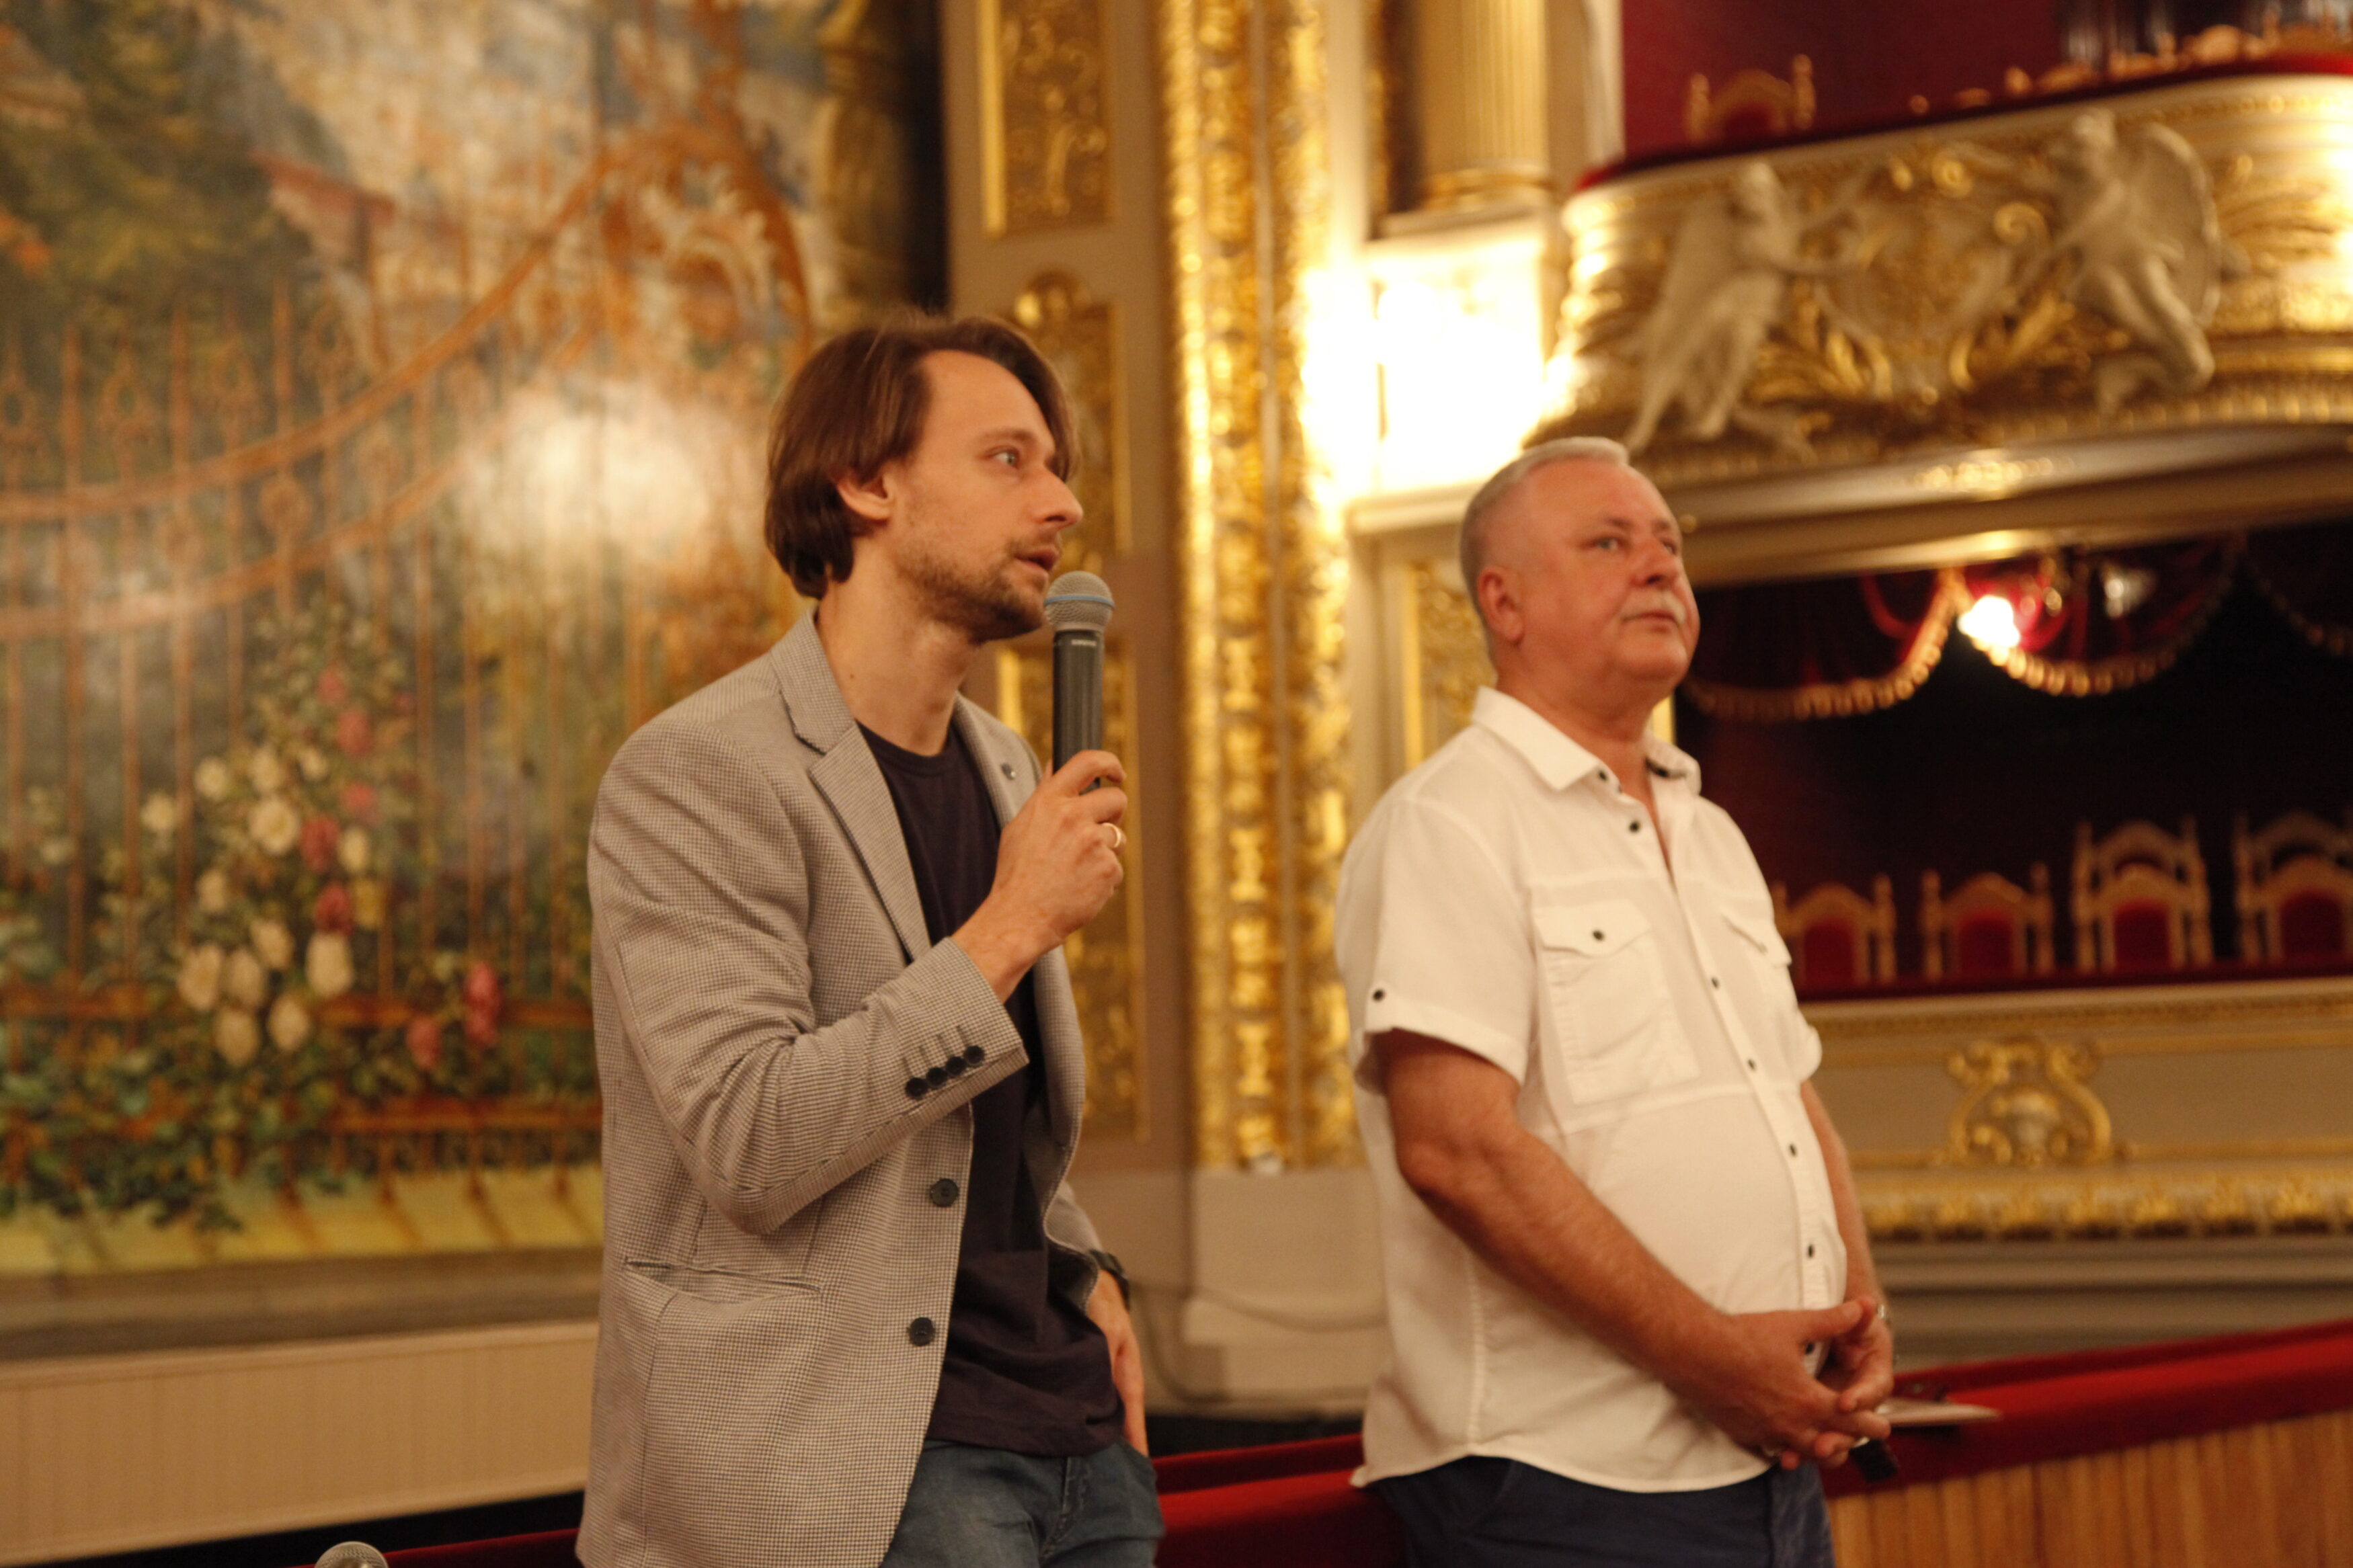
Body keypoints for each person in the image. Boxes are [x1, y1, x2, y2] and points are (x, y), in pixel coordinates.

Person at [578, 315, 1160, 1568]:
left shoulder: (1007, 766)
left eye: (1057, 467)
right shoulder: (699, 772)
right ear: (867, 483)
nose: (1062, 503)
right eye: (1008, 459)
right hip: (861, 1458)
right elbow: (749, 1139)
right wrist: (1010, 927)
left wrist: (1086, 1265)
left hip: (1072, 1436)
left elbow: (988, 1128)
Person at [1335, 437, 1895, 1568]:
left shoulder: (1712, 831)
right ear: (1505, 603)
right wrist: (1713, 1359)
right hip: (1563, 1482)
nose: (1659, 565)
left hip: (1768, 1461)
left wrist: (1858, 1305)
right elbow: (1457, 1151)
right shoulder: (1452, 820)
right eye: (1609, 542)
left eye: (1669, 544)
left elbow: (1785, 1091)